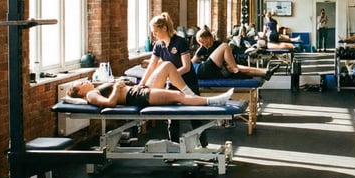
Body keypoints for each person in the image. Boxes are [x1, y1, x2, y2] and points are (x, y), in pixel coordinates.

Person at [68, 62, 233, 109]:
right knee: (178, 97)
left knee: (167, 65)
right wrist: (117, 89)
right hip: (137, 97)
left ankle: (193, 95)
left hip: (138, 89)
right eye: (81, 83)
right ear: (80, 92)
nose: (85, 81)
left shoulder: (94, 89)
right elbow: (110, 104)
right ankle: (214, 101)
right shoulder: (90, 95)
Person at [141, 12, 199, 94]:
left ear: (164, 28)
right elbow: (151, 67)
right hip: (171, 83)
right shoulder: (158, 45)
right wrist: (141, 83)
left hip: (187, 82)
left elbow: (186, 67)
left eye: (156, 31)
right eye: (152, 32)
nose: (154, 35)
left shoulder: (180, 42)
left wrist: (170, 75)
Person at [193, 27, 275, 80]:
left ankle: (265, 72)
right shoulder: (202, 49)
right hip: (215, 70)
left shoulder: (218, 44)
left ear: (209, 37)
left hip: (223, 67)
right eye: (201, 43)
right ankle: (238, 72)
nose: (204, 45)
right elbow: (192, 63)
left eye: (205, 42)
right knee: (235, 68)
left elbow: (228, 59)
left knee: (235, 67)